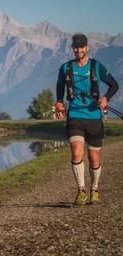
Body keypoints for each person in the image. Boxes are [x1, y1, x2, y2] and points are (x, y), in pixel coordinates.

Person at [55, 33, 118, 206]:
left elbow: (114, 85)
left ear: (87, 48)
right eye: (76, 47)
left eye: (81, 47)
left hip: (94, 117)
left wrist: (105, 99)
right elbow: (60, 85)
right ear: (73, 49)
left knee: (94, 157)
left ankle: (94, 189)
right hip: (75, 114)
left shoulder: (96, 66)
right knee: (76, 152)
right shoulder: (65, 68)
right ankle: (81, 190)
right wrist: (60, 102)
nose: (78, 50)